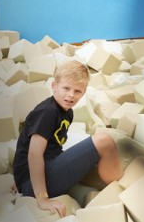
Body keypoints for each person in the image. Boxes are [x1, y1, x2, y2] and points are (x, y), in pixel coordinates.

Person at [12, 60, 123, 218]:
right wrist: (42, 198)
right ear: (54, 86)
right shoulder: (47, 112)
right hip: (34, 185)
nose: (71, 95)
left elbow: (48, 147)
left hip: (43, 172)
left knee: (97, 159)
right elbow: (34, 155)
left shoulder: (66, 112)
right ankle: (124, 188)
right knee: (104, 141)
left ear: (84, 92)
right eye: (66, 88)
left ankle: (114, 189)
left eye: (77, 91)